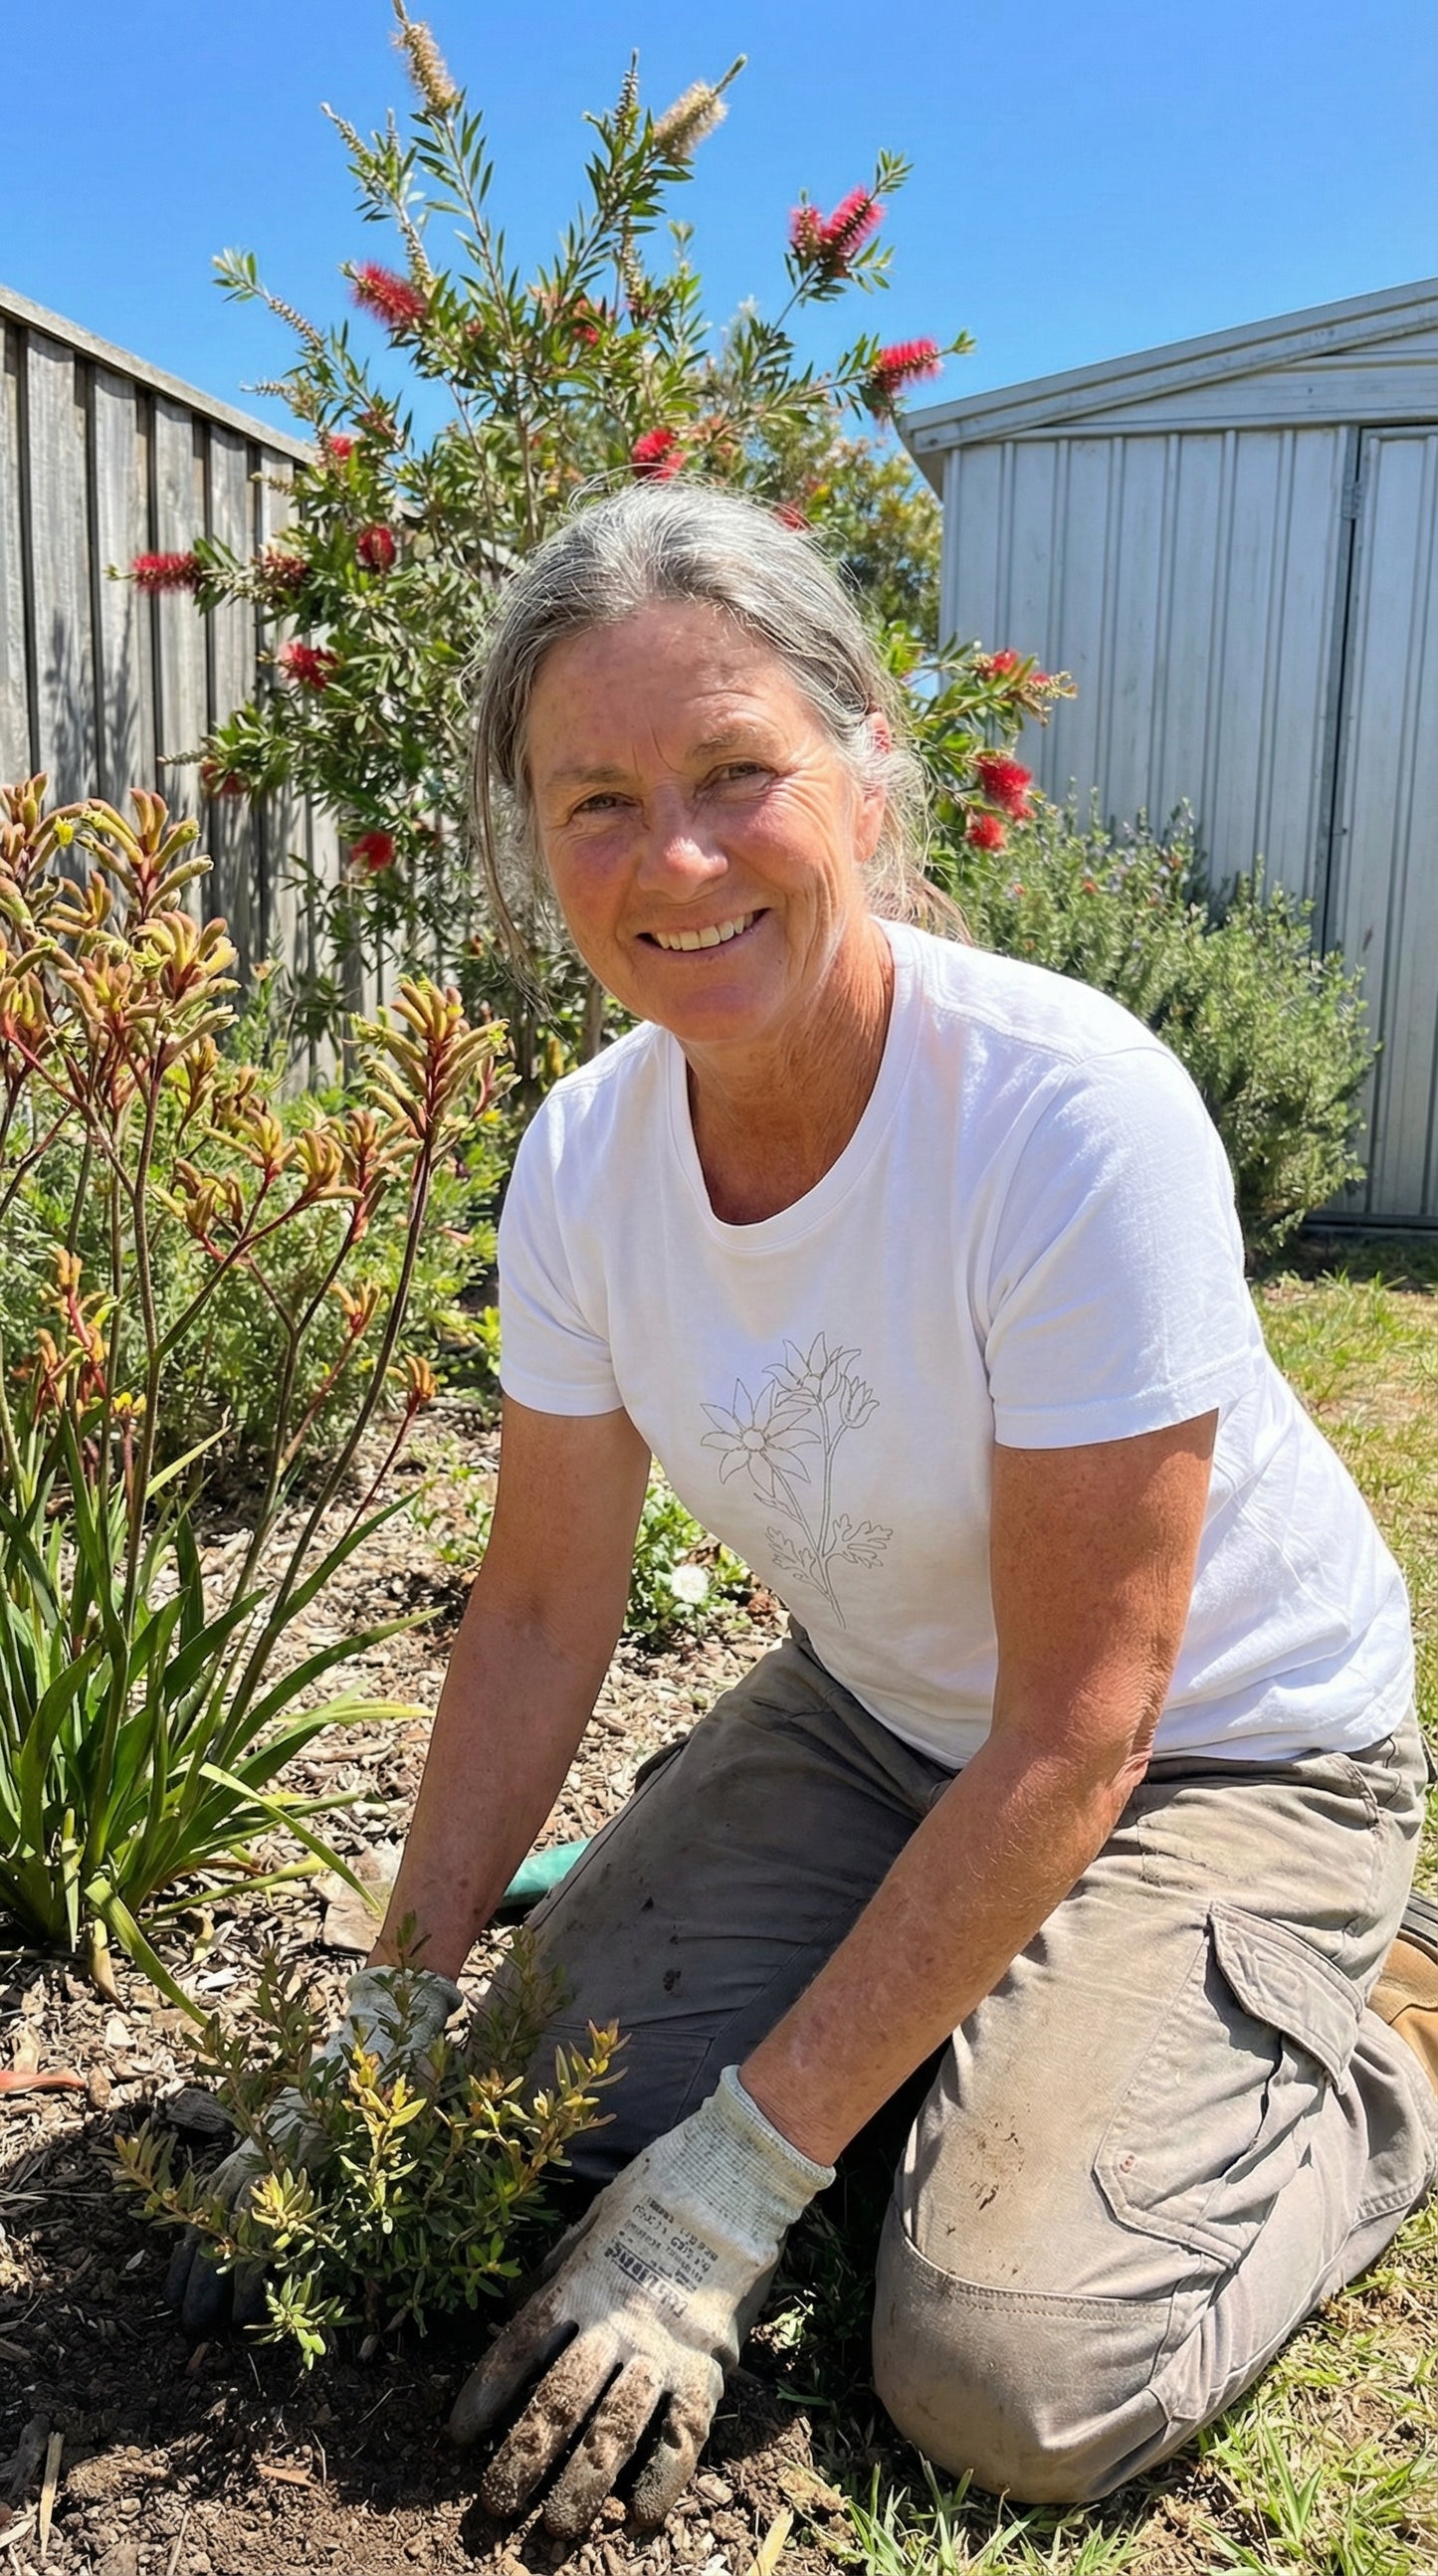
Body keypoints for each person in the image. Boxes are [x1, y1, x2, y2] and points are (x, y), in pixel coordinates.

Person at [167, 484, 1438, 2530]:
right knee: (515, 2120)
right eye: (596, 800)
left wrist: (740, 2182)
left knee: (1005, 2373)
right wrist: (388, 2012)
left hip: (1218, 1751)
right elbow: (538, 1609)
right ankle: (990, 2022)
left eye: (734, 771)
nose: (673, 859)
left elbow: (1083, 1724)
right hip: (882, 1714)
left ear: (862, 772)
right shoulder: (583, 1162)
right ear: (532, 840)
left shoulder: (1061, 1118)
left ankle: (1368, 2045)